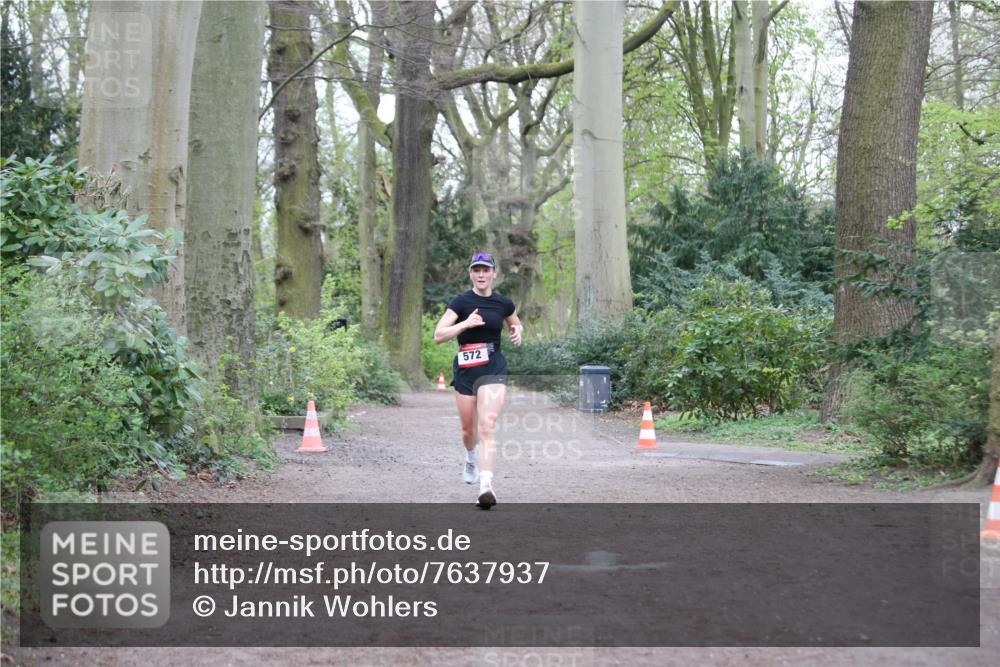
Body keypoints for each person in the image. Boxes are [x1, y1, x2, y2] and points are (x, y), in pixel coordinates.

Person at [434, 251, 523, 509]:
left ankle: (486, 486)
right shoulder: (460, 302)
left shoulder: (503, 303)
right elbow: (439, 335)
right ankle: (471, 456)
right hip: (466, 368)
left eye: (486, 270)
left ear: (494, 273)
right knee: (468, 430)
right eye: (477, 270)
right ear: (471, 273)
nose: (481, 274)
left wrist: (518, 332)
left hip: (493, 365)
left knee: (487, 424)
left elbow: (515, 323)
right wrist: (465, 324)